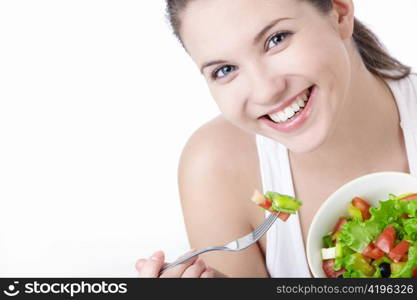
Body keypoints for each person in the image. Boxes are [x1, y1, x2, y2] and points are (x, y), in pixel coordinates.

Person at [135, 0, 416, 277]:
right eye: (225, 70)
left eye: (276, 39)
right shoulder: (216, 167)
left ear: (339, 12)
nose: (265, 91)